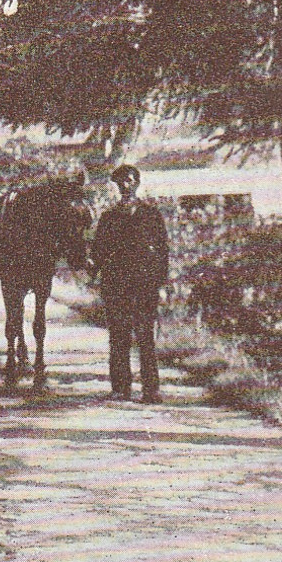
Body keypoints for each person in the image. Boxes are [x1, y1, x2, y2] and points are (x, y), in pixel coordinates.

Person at [90, 164, 169, 404]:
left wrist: (163, 285)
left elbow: (163, 252)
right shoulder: (109, 217)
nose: (126, 185)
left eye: (130, 180)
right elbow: (99, 251)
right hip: (116, 284)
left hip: (146, 284)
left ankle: (151, 389)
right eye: (121, 181)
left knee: (146, 336)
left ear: (137, 183)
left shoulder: (152, 215)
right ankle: (121, 387)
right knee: (119, 337)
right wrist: (91, 268)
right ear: (116, 186)